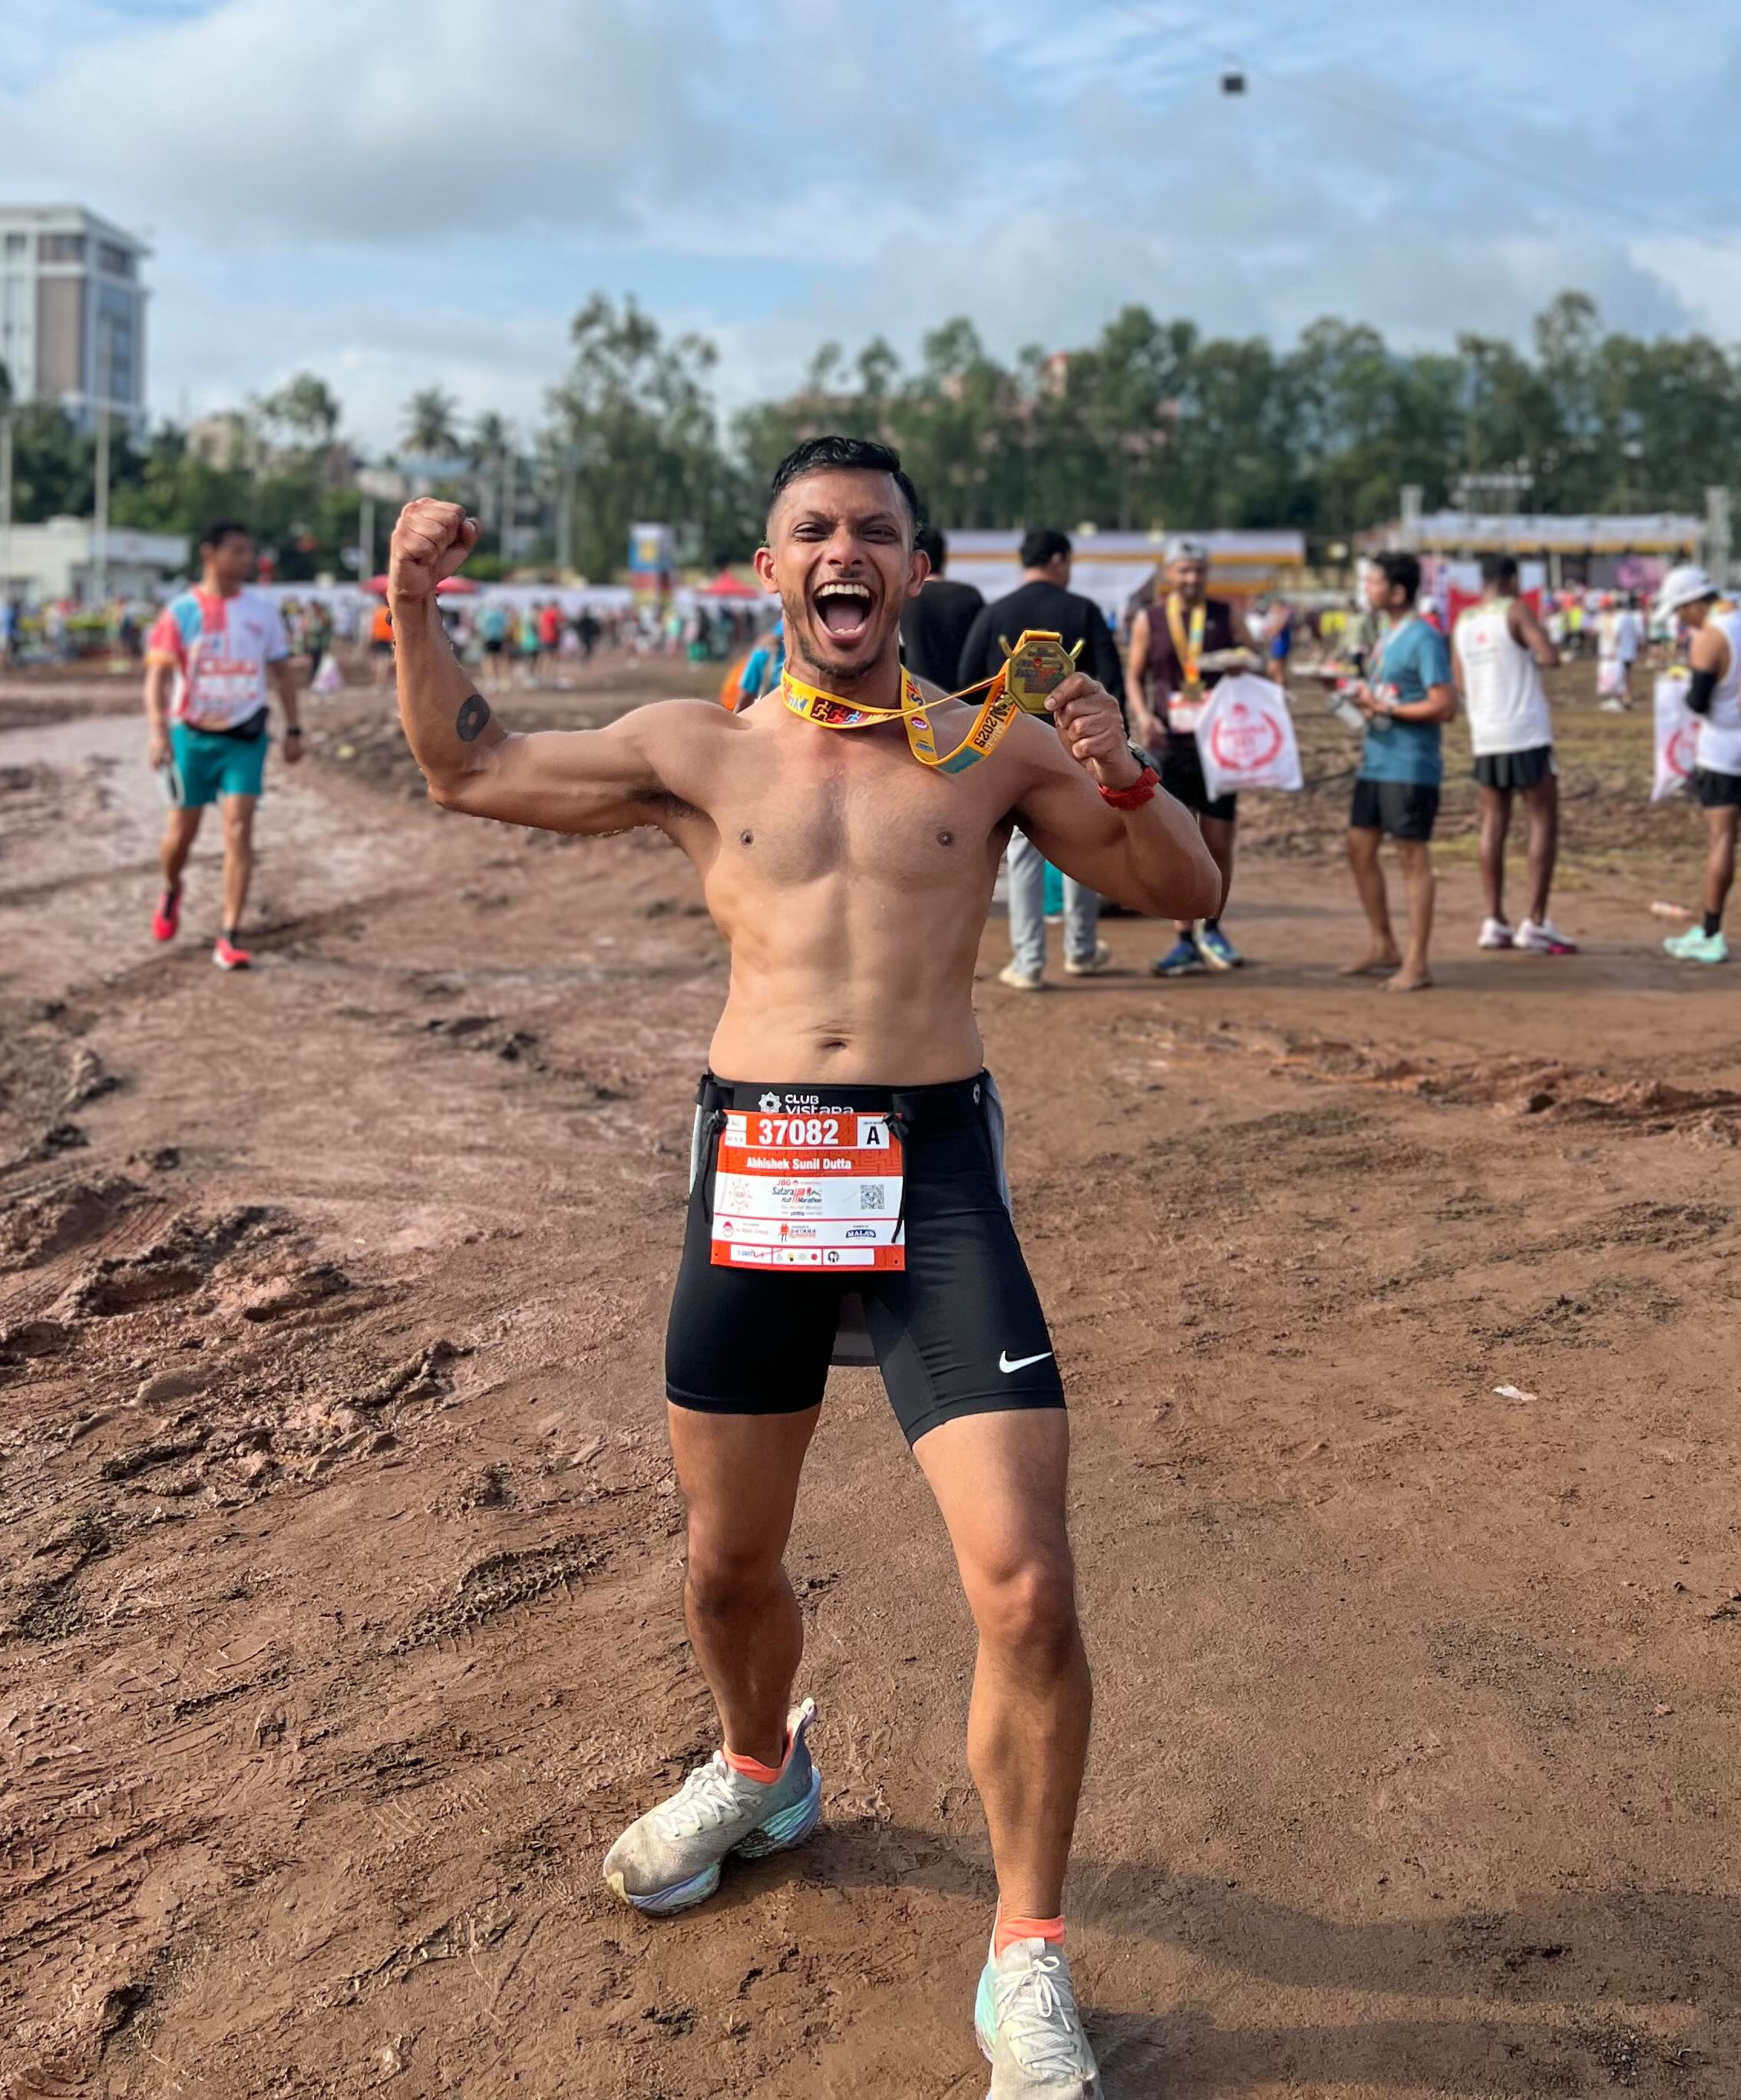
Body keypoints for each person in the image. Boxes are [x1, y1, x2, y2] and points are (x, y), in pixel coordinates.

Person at [389, 436, 1217, 2095]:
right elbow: (468, 767)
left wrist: (1118, 767)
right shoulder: (695, 748)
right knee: (724, 1568)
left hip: (935, 1186)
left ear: (915, 571)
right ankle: (764, 1769)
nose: (848, 554)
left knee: (1030, 1586)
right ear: (771, 569)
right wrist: (410, 603)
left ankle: (1027, 1959)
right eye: (815, 531)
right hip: (760, 1170)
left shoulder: (988, 751)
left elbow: (1176, 887)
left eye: (878, 534)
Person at [959, 528, 1128, 990]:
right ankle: (1081, 949)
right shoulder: (1084, 612)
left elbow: (966, 681)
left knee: (1023, 854)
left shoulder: (997, 613)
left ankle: (1029, 962)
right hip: (1077, 745)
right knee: (1086, 844)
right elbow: (1112, 682)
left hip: (1011, 747)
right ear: (1058, 560)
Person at [144, 521, 303, 972]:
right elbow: (156, 678)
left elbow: (282, 671)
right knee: (181, 836)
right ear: (209, 554)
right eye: (237, 551)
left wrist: (295, 729)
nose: (246, 560)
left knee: (238, 830)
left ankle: (229, 933)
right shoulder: (179, 612)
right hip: (190, 738)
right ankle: (172, 888)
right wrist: (158, 733)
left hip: (245, 739)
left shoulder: (262, 611)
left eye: (249, 551)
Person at [1125, 538, 1252, 976]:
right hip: (1170, 744)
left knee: (1219, 839)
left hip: (1221, 742)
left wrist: (1244, 663)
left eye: (1198, 570)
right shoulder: (1151, 619)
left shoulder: (1224, 614)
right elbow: (1135, 673)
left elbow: (1256, 658)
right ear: (1170, 575)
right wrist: (1143, 715)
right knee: (1180, 841)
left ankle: (1214, 926)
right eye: (1183, 571)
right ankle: (1183, 937)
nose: (1192, 578)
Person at [1343, 550, 1456, 992]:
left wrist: (1386, 707)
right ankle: (1382, 943)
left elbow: (1445, 705)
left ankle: (1417, 961)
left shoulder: (1424, 638)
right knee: (1359, 848)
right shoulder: (1386, 635)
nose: (1367, 589)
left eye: (1373, 582)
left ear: (1397, 592)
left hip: (1411, 764)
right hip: (1377, 759)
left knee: (1413, 857)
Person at [1452, 554, 1573, 954]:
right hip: (1525, 728)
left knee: (1493, 822)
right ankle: (1536, 920)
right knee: (1541, 820)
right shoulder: (1517, 611)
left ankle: (1494, 918)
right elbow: (1549, 656)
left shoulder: (1464, 622)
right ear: (1511, 580)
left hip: (1487, 731)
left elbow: (1461, 683)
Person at [1661, 564, 1739, 969]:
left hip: (1723, 748)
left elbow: (1698, 702)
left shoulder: (1709, 639)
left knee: (1722, 839)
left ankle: (1710, 932)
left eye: (1680, 611)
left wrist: (1681, 686)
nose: (1679, 619)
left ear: (1694, 605)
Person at [900, 523, 984, 691]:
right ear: (944, 556)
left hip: (915, 698)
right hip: (964, 701)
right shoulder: (968, 596)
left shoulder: (903, 600)